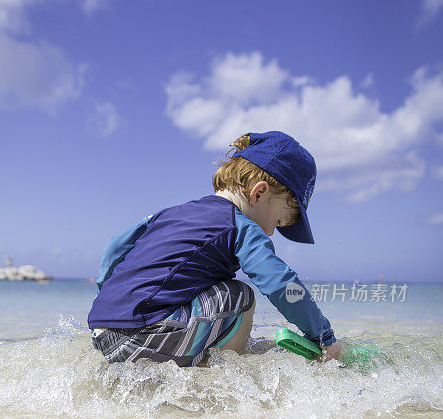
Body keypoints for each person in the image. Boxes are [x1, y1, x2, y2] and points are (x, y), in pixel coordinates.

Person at [88, 131, 342, 367]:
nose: (270, 232)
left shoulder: (171, 214)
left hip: (101, 334)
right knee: (240, 296)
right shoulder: (240, 226)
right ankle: (223, 375)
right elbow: (281, 283)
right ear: (259, 193)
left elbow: (115, 247)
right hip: (142, 339)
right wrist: (323, 336)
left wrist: (109, 307)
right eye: (277, 221)